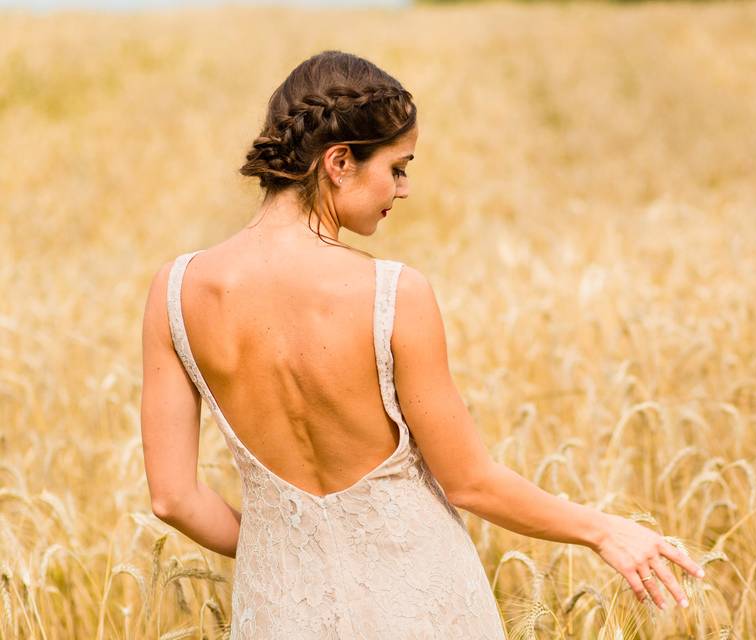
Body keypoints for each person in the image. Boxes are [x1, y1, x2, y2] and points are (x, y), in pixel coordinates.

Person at [140, 50, 704, 639]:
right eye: (397, 167)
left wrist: (286, 551)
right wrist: (604, 530)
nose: (403, 189)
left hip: (281, 610)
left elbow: (173, 499)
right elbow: (471, 481)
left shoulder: (175, 292)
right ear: (338, 162)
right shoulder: (391, 293)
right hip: (422, 604)